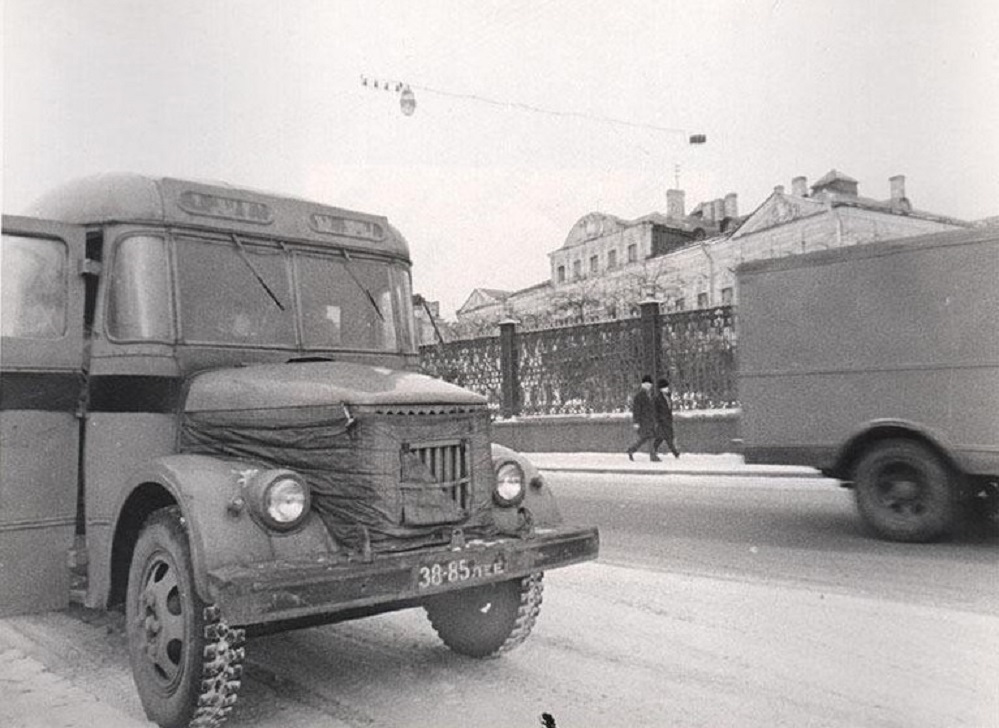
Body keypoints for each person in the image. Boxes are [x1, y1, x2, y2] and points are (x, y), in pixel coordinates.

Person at [626, 375, 661, 461]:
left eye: (649, 385)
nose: (648, 387)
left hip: (651, 420)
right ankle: (653, 456)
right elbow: (636, 410)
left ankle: (631, 450)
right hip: (644, 420)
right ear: (643, 385)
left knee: (645, 438)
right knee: (649, 438)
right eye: (647, 385)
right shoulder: (639, 396)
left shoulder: (652, 395)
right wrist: (636, 422)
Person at [653, 378, 681, 459]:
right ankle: (675, 453)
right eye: (665, 387)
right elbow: (656, 411)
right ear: (661, 389)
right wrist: (658, 420)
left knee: (662, 438)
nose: (667, 388)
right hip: (662, 421)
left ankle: (653, 450)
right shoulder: (658, 398)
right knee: (667, 438)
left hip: (667, 421)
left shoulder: (668, 397)